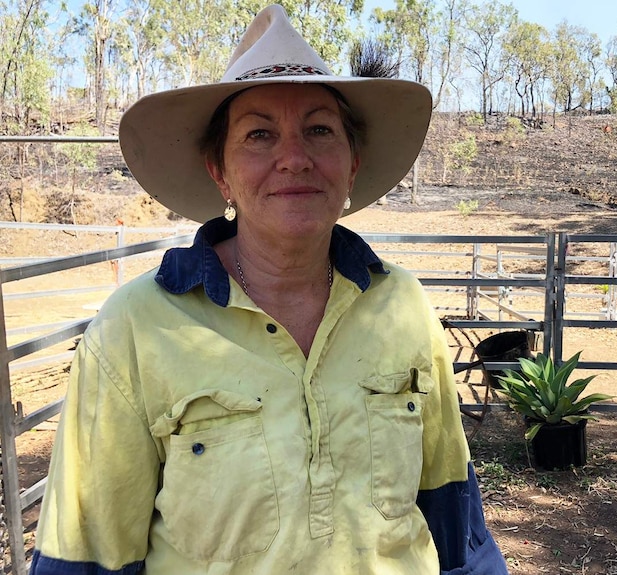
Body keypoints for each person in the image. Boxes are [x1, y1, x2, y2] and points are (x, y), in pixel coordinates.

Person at [30, 5, 508, 575]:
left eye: (319, 129)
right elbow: (85, 557)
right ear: (220, 170)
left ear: (351, 162)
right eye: (259, 134)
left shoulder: (401, 305)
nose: (294, 158)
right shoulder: (134, 329)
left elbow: (455, 518)